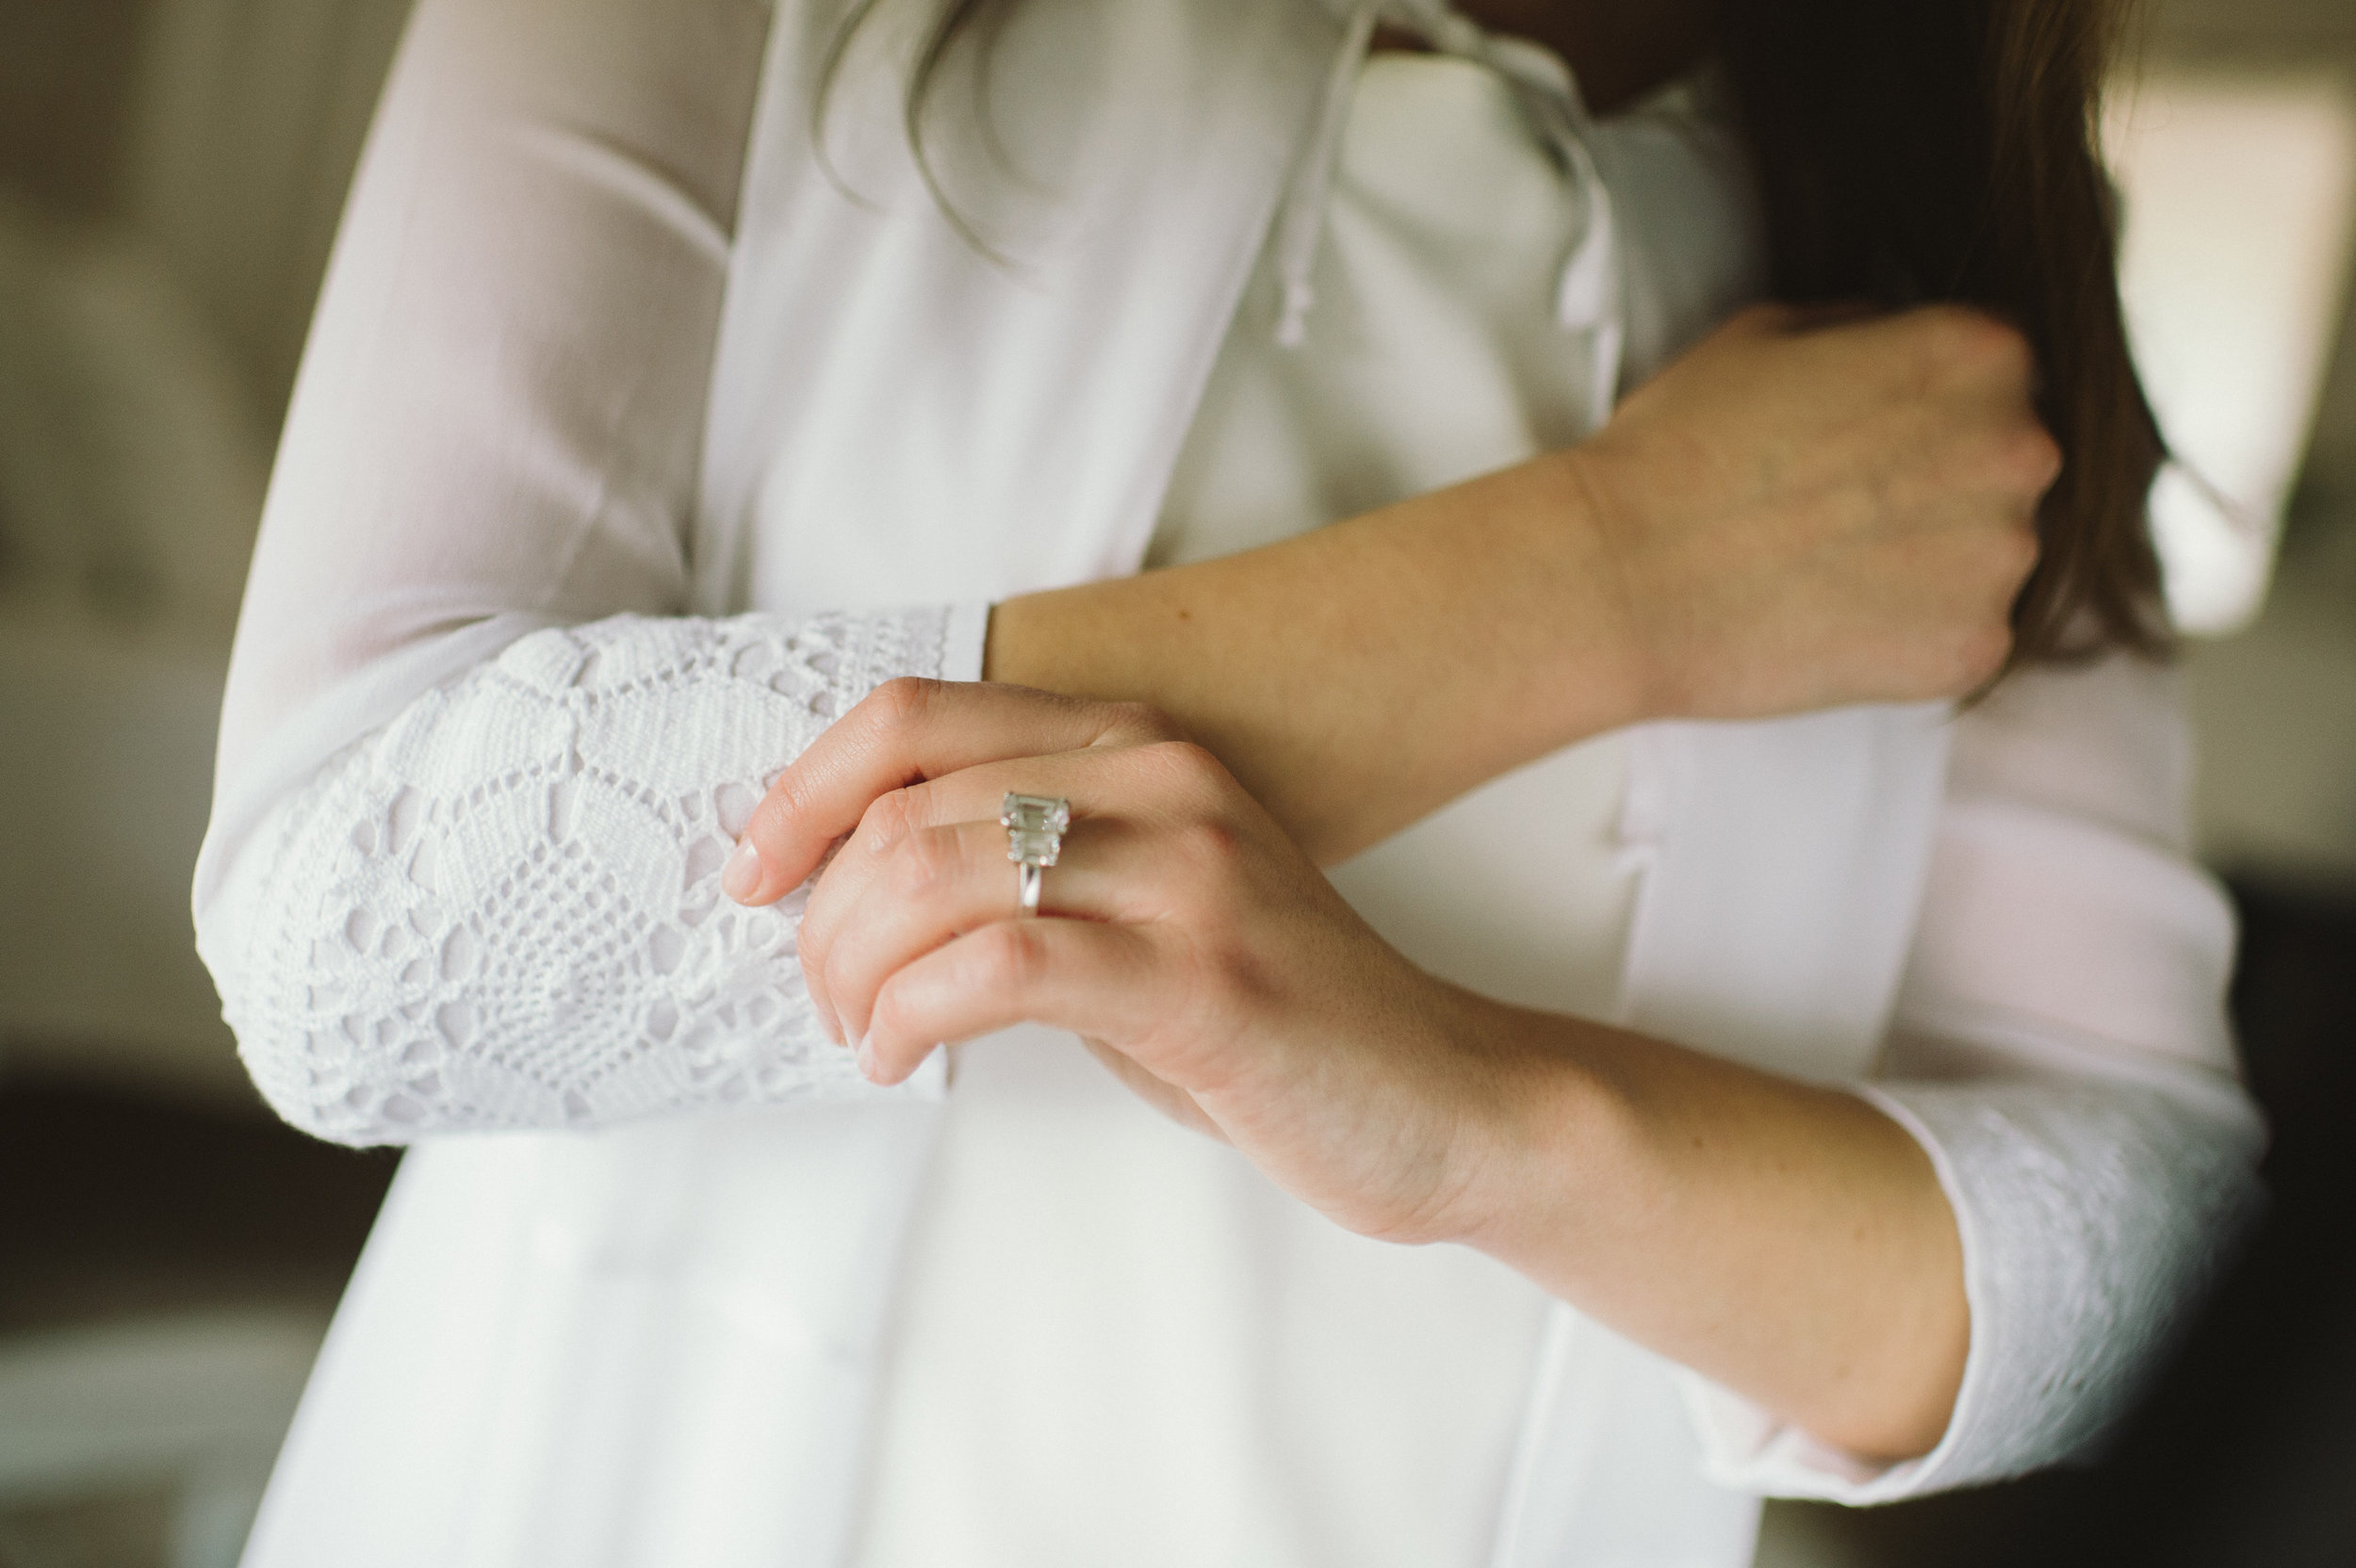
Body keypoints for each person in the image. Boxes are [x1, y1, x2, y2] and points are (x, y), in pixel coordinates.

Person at [190, 0, 2263, 1562]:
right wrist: (1600, 578)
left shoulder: (1964, 221)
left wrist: (1478, 1120)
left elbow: (2153, 1257)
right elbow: (341, 928)